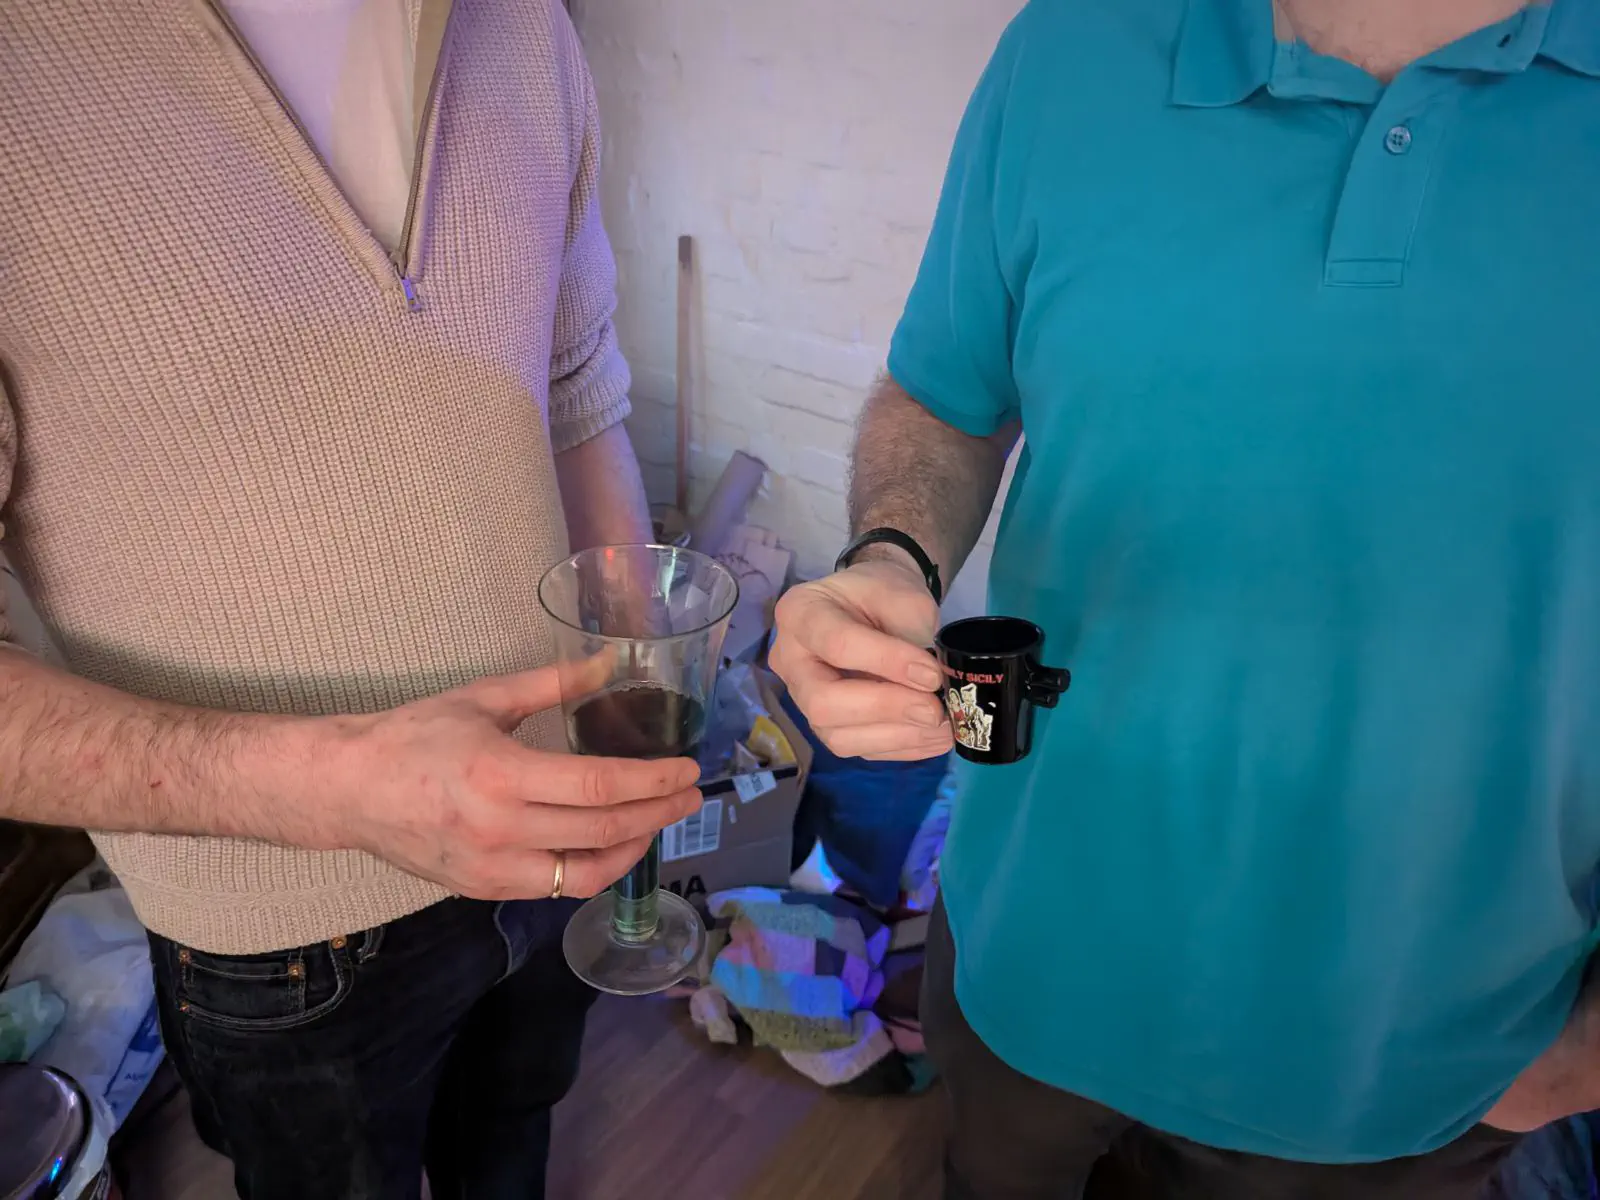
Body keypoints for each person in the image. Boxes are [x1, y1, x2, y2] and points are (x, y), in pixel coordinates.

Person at [769, 0, 1600, 1196]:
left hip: (1410, 1072)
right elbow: (944, 395)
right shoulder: (1067, 46)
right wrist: (890, 556)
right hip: (1023, 976)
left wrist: (1578, 1060)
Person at [0, 1, 701, 1197]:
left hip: (551, 834)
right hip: (278, 933)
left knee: (509, 1147)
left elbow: (576, 385)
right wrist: (340, 789)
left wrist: (635, 683)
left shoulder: (523, 23)